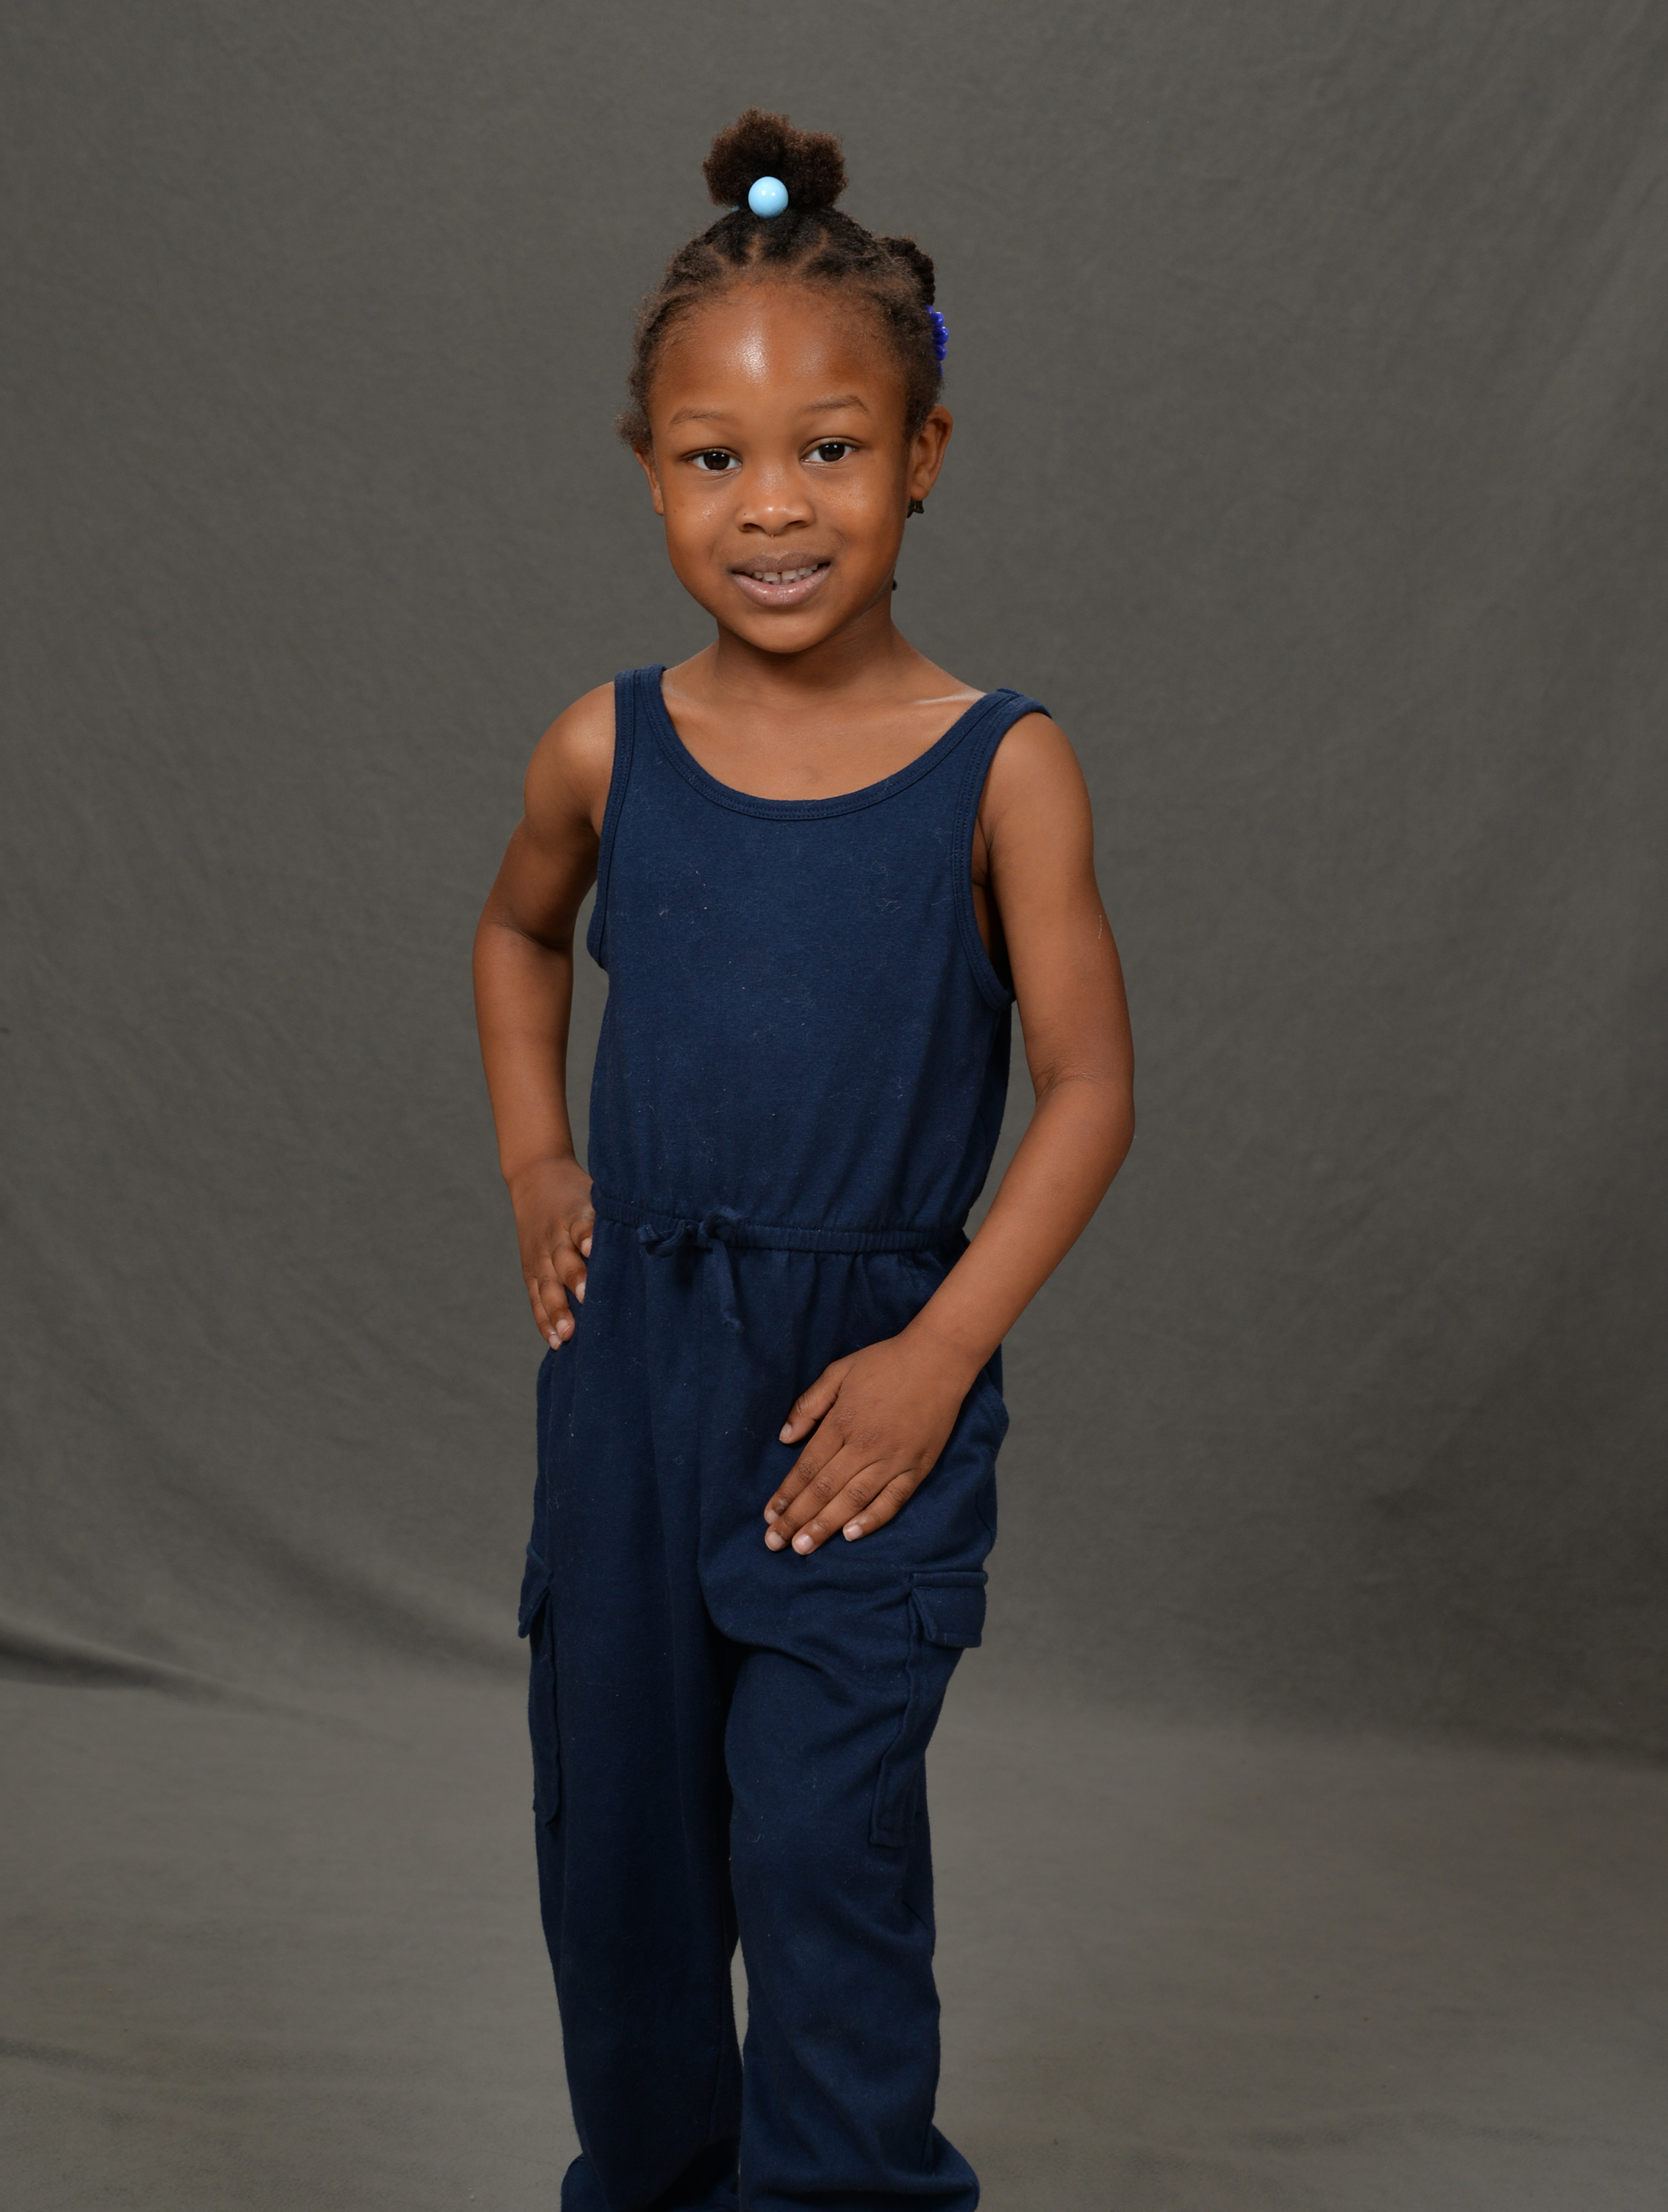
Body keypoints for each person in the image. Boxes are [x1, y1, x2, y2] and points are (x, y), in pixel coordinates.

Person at [473, 108, 1134, 2212]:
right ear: (649, 469)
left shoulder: (1002, 768)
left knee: (822, 1859)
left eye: (831, 449)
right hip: (632, 1385)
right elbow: (517, 938)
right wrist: (539, 1163)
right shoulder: (606, 745)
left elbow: (1090, 1086)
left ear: (924, 452)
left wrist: (941, 1354)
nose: (774, 506)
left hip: (864, 1384)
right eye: (716, 459)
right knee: (627, 1867)